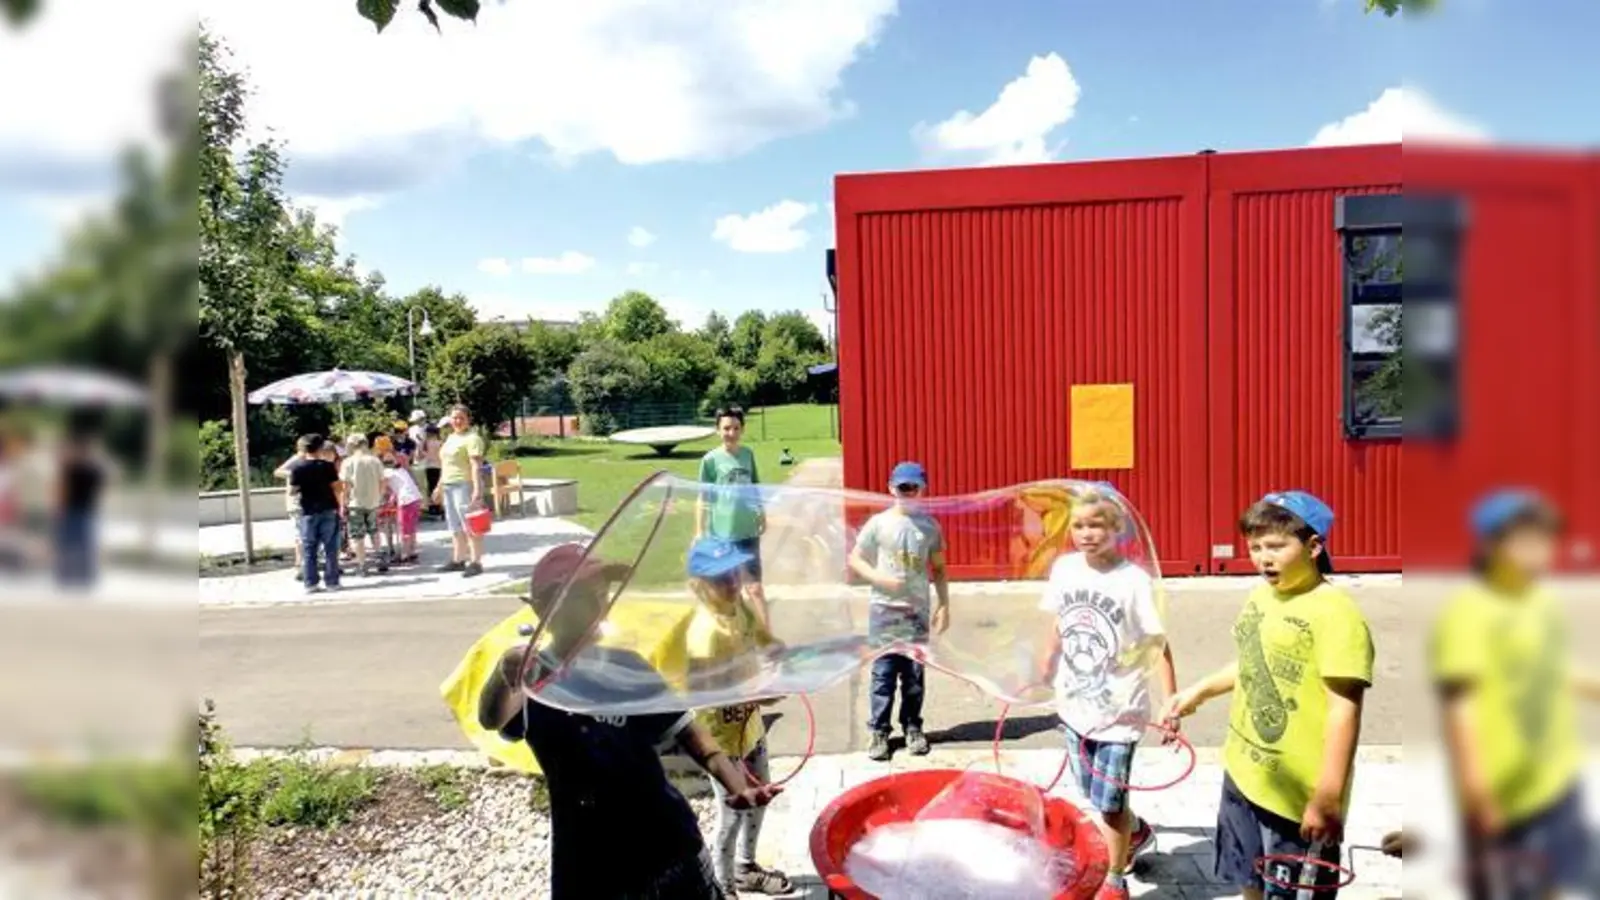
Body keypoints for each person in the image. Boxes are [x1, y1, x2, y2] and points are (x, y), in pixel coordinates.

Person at [476, 544, 781, 900]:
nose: (601, 605)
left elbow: (695, 737)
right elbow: (490, 717)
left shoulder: (627, 667)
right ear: (545, 607)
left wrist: (736, 784)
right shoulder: (533, 677)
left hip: (668, 847)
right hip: (587, 862)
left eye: (603, 594)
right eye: (586, 596)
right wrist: (502, 674)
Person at [1165, 491, 1373, 899]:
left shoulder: (1336, 614)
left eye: (1277, 545)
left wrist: (1327, 795)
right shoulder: (1262, 597)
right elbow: (1250, 664)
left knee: (1292, 892)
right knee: (1250, 881)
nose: (1264, 558)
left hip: (1296, 798)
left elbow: (1344, 709)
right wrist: (1199, 692)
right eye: (1256, 547)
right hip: (1244, 775)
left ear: (1314, 547)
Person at [1430, 489, 1600, 898]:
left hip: (1554, 776)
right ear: (1491, 546)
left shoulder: (1539, 602)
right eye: (1523, 540)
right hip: (1501, 789)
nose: (1538, 550)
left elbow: (1554, 671)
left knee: (1562, 884)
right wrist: (1477, 791)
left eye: (1543, 539)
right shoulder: (1470, 611)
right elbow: (1461, 707)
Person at [1035, 485, 1175, 899]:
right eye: (1079, 525)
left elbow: (1158, 643)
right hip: (1075, 704)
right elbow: (1060, 619)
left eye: (1098, 525)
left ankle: (1114, 880)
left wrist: (1170, 699)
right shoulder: (1065, 569)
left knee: (1110, 804)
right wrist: (1047, 658)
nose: (1087, 533)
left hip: (1120, 711)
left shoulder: (1134, 581)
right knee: (1095, 797)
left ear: (1118, 529)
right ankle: (1135, 833)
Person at [680, 537, 791, 897]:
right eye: (719, 579)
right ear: (698, 585)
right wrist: (756, 692)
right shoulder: (704, 634)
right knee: (731, 815)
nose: (731, 584)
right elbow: (701, 693)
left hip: (750, 729)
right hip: (720, 743)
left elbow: (762, 639)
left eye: (734, 574)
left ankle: (746, 868)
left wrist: (776, 649)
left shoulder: (739, 607)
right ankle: (724, 889)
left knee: (760, 799)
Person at [848, 460, 949, 761]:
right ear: (891, 488)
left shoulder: (929, 527)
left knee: (914, 675)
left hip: (916, 612)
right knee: (883, 674)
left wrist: (944, 603)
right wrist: (878, 578)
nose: (907, 492)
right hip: (884, 611)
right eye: (902, 487)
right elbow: (855, 559)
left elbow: (940, 568)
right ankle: (879, 731)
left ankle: (913, 727)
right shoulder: (879, 524)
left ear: (923, 489)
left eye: (913, 487)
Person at [694, 406, 771, 630]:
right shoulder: (710, 461)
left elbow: (754, 488)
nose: (731, 433)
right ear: (718, 430)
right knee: (729, 590)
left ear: (742, 429)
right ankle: (736, 637)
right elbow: (703, 497)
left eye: (736, 428)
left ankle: (767, 639)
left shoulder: (748, 455)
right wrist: (699, 531)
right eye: (726, 428)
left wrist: (761, 512)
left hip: (748, 532)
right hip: (722, 535)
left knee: (755, 587)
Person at [52, 416, 108, 589]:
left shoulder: (71, 467)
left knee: (69, 544)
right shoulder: (94, 468)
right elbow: (103, 488)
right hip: (85, 510)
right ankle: (85, 576)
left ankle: (67, 575)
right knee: (85, 545)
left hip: (75, 510)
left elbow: (62, 489)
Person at [433, 404, 486, 577]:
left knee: (470, 525)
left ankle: (476, 561)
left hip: (464, 484)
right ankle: (458, 559)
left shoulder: (472, 438)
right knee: (454, 525)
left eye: (461, 418)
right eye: (454, 418)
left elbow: (476, 465)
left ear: (468, 419)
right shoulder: (450, 438)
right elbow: (445, 465)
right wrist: (439, 486)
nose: (457, 421)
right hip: (448, 484)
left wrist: (477, 489)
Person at [289, 434, 344, 593]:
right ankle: (332, 582)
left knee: (309, 549)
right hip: (328, 508)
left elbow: (293, 491)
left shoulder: (297, 468)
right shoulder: (327, 466)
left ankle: (310, 583)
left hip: (308, 511)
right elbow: (337, 487)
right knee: (330, 548)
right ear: (320, 449)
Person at [339, 434, 389, 576]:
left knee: (357, 535)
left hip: (356, 503)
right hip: (373, 502)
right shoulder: (375, 461)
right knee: (374, 531)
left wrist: (343, 503)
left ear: (351, 445)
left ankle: (362, 565)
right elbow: (383, 481)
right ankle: (379, 558)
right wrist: (380, 497)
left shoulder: (348, 462)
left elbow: (346, 485)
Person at [382, 454, 424, 564]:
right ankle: (412, 551)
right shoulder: (402, 471)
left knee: (404, 529)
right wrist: (392, 499)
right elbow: (398, 487)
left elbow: (383, 488)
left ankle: (405, 555)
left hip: (406, 500)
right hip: (416, 499)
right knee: (412, 527)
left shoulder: (387, 472)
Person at [421, 423, 444, 520]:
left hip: (429, 466)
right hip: (439, 466)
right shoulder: (440, 442)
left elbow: (421, 454)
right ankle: (439, 507)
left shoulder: (426, 443)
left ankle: (432, 507)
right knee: (438, 487)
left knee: (431, 487)